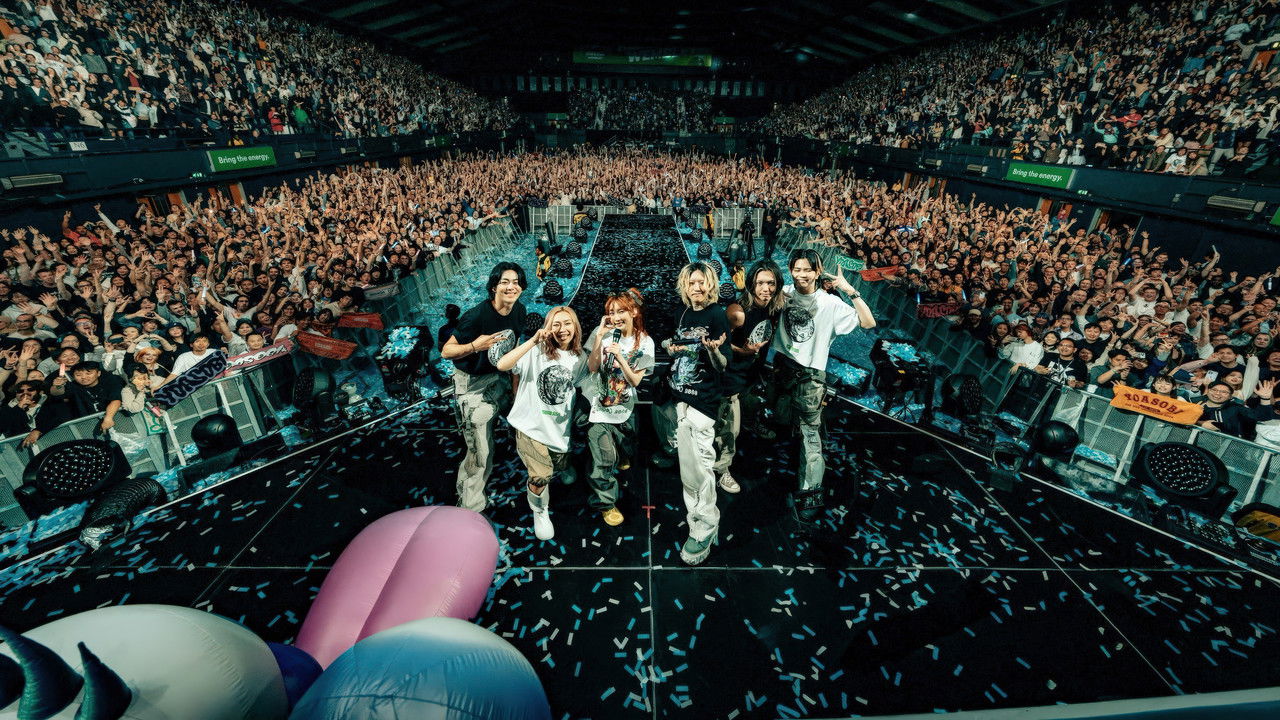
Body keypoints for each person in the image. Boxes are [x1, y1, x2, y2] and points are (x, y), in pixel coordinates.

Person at [772, 248, 876, 521]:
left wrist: (848, 288)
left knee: (810, 436)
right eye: (797, 269)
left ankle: (810, 493)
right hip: (782, 370)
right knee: (778, 417)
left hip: (810, 377)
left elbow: (868, 322)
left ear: (818, 272)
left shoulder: (830, 303)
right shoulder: (784, 294)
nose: (801, 274)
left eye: (808, 269)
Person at [440, 262, 528, 512]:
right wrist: (474, 347)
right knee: (480, 448)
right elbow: (447, 351)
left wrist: (514, 388)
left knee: (517, 414)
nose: (511, 287)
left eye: (516, 282)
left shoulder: (519, 310)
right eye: (505, 282)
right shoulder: (477, 315)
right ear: (493, 287)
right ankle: (470, 505)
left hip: (498, 376)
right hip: (473, 384)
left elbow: (513, 349)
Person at [495, 306, 586, 541]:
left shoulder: (579, 357)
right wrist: (533, 341)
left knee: (559, 462)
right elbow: (503, 365)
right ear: (547, 327)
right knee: (541, 475)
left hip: (558, 429)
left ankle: (563, 465)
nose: (562, 329)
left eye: (567, 323)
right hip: (530, 426)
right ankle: (540, 510)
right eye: (556, 324)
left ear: (575, 326)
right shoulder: (535, 351)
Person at [666, 262, 731, 565]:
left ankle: (705, 529)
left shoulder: (717, 315)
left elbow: (722, 365)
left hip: (703, 404)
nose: (697, 287)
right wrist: (670, 346)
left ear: (711, 285)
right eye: (692, 282)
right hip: (682, 400)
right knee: (689, 470)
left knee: (700, 473)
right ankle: (698, 519)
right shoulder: (683, 313)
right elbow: (676, 346)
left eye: (703, 282)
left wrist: (715, 350)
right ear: (685, 285)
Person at [580, 289, 654, 527]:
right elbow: (592, 368)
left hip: (624, 406)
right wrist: (599, 338)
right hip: (598, 406)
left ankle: (621, 452)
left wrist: (621, 358)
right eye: (611, 312)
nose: (615, 316)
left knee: (625, 444)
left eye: (620, 311)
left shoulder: (645, 343)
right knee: (603, 459)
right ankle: (605, 502)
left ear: (633, 311)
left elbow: (635, 381)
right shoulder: (602, 333)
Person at [715, 260, 785, 491]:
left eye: (771, 283)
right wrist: (742, 351)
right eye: (760, 283)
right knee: (730, 430)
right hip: (731, 377)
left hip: (751, 375)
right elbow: (718, 344)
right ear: (750, 284)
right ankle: (722, 469)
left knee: (751, 405)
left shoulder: (774, 307)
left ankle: (751, 423)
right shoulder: (737, 312)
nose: (766, 289)